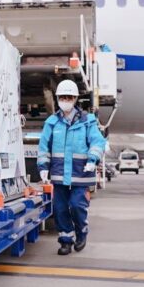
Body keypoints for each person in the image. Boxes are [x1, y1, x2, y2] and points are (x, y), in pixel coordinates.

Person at [37, 80, 106, 255]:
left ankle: (81, 232)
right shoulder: (52, 122)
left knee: (76, 205)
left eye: (69, 97)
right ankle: (65, 240)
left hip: (81, 175)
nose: (65, 100)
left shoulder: (87, 121)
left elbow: (98, 142)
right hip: (59, 176)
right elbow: (44, 147)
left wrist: (93, 159)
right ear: (58, 98)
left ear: (75, 99)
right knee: (60, 209)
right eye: (62, 97)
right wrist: (43, 167)